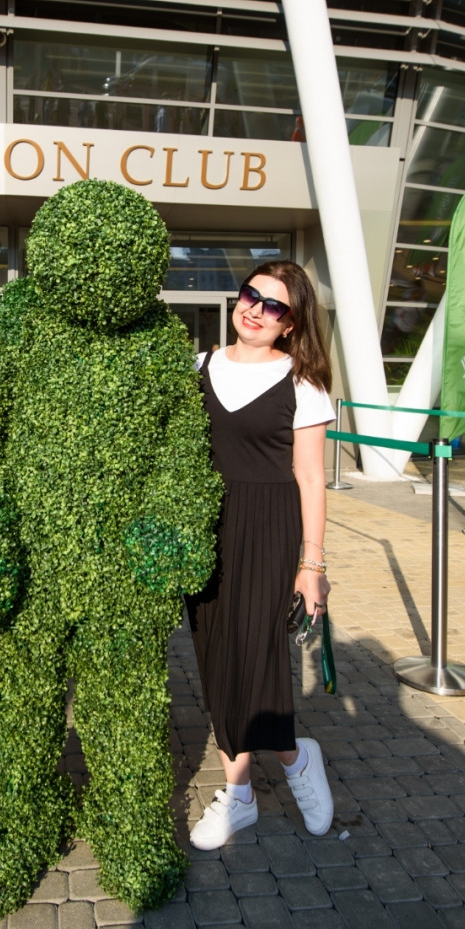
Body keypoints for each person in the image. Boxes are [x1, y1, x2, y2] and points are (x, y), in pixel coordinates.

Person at [187, 260, 336, 850]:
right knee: (215, 654)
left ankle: (296, 759)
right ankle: (241, 794)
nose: (255, 309)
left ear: (291, 323)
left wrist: (313, 564)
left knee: (256, 656)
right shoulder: (195, 366)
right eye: (251, 295)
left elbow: (310, 477)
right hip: (206, 530)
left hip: (270, 527)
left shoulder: (303, 383)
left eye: (273, 305)